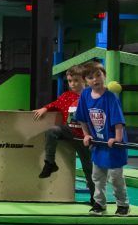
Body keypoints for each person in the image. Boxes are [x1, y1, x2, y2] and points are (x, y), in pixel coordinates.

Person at [34, 65, 96, 204]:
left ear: (84, 80)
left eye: (76, 80)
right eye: (69, 81)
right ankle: (50, 163)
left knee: (89, 168)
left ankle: (95, 198)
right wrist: (45, 108)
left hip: (84, 137)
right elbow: (55, 104)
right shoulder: (66, 96)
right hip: (69, 132)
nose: (72, 84)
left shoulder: (92, 96)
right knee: (52, 130)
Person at [75, 62, 130, 216]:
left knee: (115, 177)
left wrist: (117, 138)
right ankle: (99, 203)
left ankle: (123, 204)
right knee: (97, 176)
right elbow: (82, 118)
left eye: (98, 75)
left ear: (104, 76)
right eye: (90, 77)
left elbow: (118, 121)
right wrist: (86, 134)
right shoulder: (85, 95)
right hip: (98, 145)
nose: (95, 79)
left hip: (113, 145)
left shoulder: (110, 97)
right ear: (86, 81)